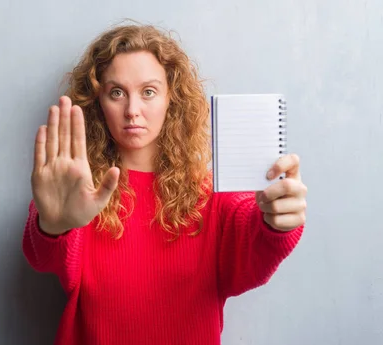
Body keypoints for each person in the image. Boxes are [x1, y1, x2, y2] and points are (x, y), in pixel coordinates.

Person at [22, 23, 307, 345]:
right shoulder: (78, 188)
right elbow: (44, 259)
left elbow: (253, 245)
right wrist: (53, 227)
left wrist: (278, 221)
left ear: (171, 98)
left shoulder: (214, 196)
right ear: (98, 103)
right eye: (117, 92)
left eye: (148, 92)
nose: (132, 111)